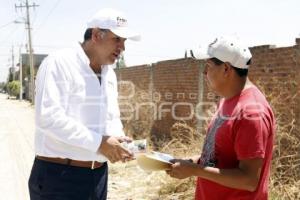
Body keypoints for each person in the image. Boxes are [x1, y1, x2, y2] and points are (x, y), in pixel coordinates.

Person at [28, 8, 140, 200]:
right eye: (117, 39)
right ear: (96, 35)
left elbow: (110, 118)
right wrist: (100, 143)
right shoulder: (60, 62)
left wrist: (120, 142)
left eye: (124, 41)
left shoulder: (109, 73)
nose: (122, 47)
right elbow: (48, 117)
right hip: (60, 178)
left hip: (97, 177)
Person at [166, 37, 275, 200]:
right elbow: (219, 158)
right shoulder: (226, 100)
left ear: (226, 68)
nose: (204, 72)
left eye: (208, 66)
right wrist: (190, 163)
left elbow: (249, 180)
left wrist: (195, 170)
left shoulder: (252, 112)